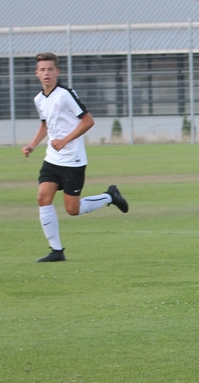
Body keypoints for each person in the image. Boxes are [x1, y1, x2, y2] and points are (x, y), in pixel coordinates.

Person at [22, 52, 128, 262]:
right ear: (36, 73)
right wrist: (33, 144)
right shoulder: (39, 99)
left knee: (73, 209)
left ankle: (110, 196)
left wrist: (65, 140)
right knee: (43, 197)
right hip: (52, 158)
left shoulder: (65, 94)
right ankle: (56, 250)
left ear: (57, 71)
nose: (46, 73)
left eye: (50, 69)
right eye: (42, 70)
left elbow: (88, 121)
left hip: (73, 160)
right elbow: (46, 124)